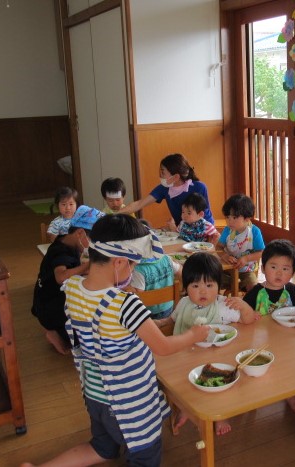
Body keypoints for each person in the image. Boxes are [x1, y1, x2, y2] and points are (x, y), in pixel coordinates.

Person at [22, 215, 209, 467]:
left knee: (101, 448)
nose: (133, 271)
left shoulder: (73, 287)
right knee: (144, 456)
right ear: (120, 262)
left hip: (94, 392)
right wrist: (194, 335)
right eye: (133, 266)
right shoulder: (125, 304)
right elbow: (163, 347)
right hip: (129, 400)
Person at [156, 252, 256, 435]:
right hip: (182, 357)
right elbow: (172, 320)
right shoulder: (184, 303)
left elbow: (248, 320)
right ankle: (185, 407)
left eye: (209, 285)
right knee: (173, 383)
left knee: (220, 384)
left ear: (219, 285)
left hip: (214, 361)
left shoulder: (223, 305)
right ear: (186, 287)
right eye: (195, 286)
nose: (203, 291)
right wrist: (161, 323)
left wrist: (243, 306)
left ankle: (218, 415)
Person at [243, 239, 295, 418]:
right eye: (273, 267)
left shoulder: (292, 290)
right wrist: (249, 314)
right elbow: (243, 315)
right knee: (278, 367)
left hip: (293, 340)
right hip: (267, 343)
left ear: (293, 272)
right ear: (263, 268)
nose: (279, 273)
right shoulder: (255, 293)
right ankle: (290, 397)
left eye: (286, 269)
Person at [31, 205, 103, 355]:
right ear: (80, 233)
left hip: (46, 301)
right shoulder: (60, 251)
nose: (94, 244)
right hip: (51, 309)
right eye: (93, 240)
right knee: (85, 342)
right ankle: (52, 332)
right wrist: (87, 266)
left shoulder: (65, 240)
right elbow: (61, 277)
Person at [119, 153, 214, 229]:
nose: (160, 176)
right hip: (182, 230)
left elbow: (204, 216)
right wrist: (115, 214)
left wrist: (178, 229)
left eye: (162, 172)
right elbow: (139, 204)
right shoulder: (164, 188)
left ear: (176, 177)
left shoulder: (199, 187)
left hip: (203, 231)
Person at [128, 225, 180, 319]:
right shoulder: (166, 258)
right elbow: (181, 271)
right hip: (169, 307)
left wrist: (127, 287)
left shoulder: (138, 269)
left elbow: (139, 294)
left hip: (150, 313)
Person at [217, 193, 265, 292]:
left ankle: (237, 287)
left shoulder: (254, 231)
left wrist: (246, 258)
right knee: (211, 278)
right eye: (227, 217)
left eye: (234, 218)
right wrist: (225, 256)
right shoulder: (227, 230)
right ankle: (233, 286)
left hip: (247, 270)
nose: (229, 221)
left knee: (253, 288)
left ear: (247, 218)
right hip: (227, 269)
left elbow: (261, 253)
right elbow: (218, 247)